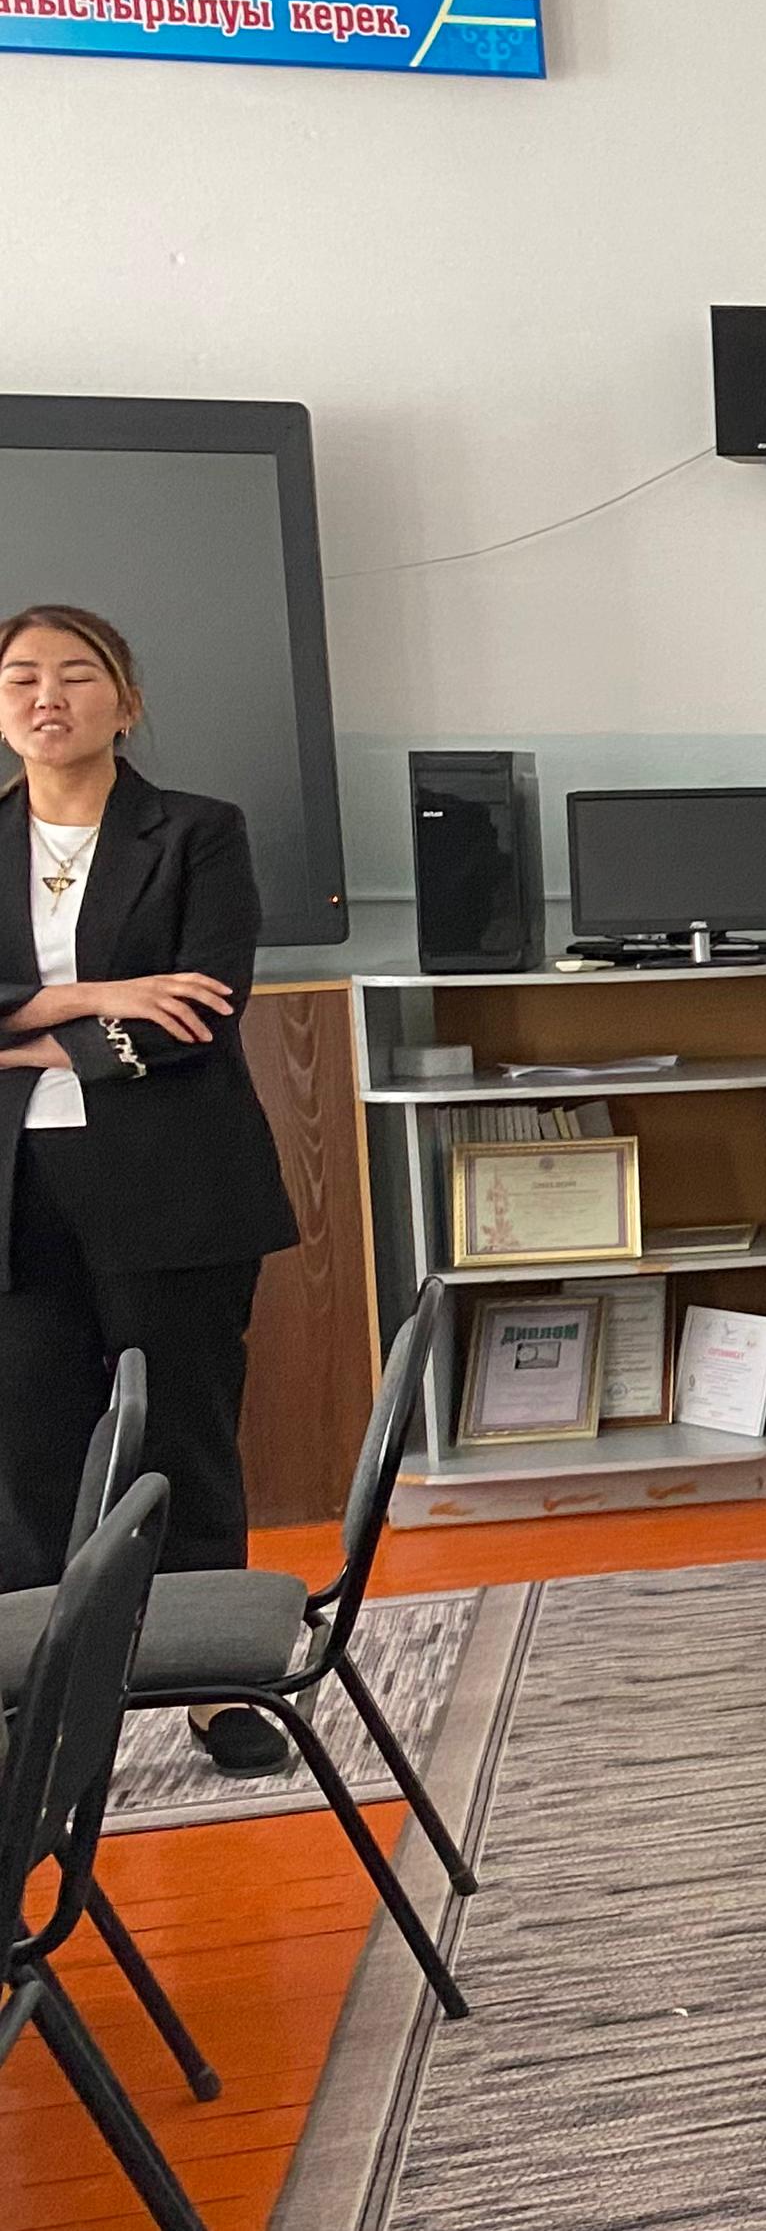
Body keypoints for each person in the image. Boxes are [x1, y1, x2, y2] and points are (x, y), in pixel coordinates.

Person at [0, 603, 302, 1777]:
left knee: (181, 1440)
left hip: (174, 1185)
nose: (47, 697)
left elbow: (199, 1013)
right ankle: (40, 1699)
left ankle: (214, 1685)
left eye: (76, 675)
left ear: (125, 703)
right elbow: (138, 1008)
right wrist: (91, 998)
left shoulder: (197, 833)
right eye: (22, 677)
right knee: (28, 1452)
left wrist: (22, 1038)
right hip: (18, 1193)